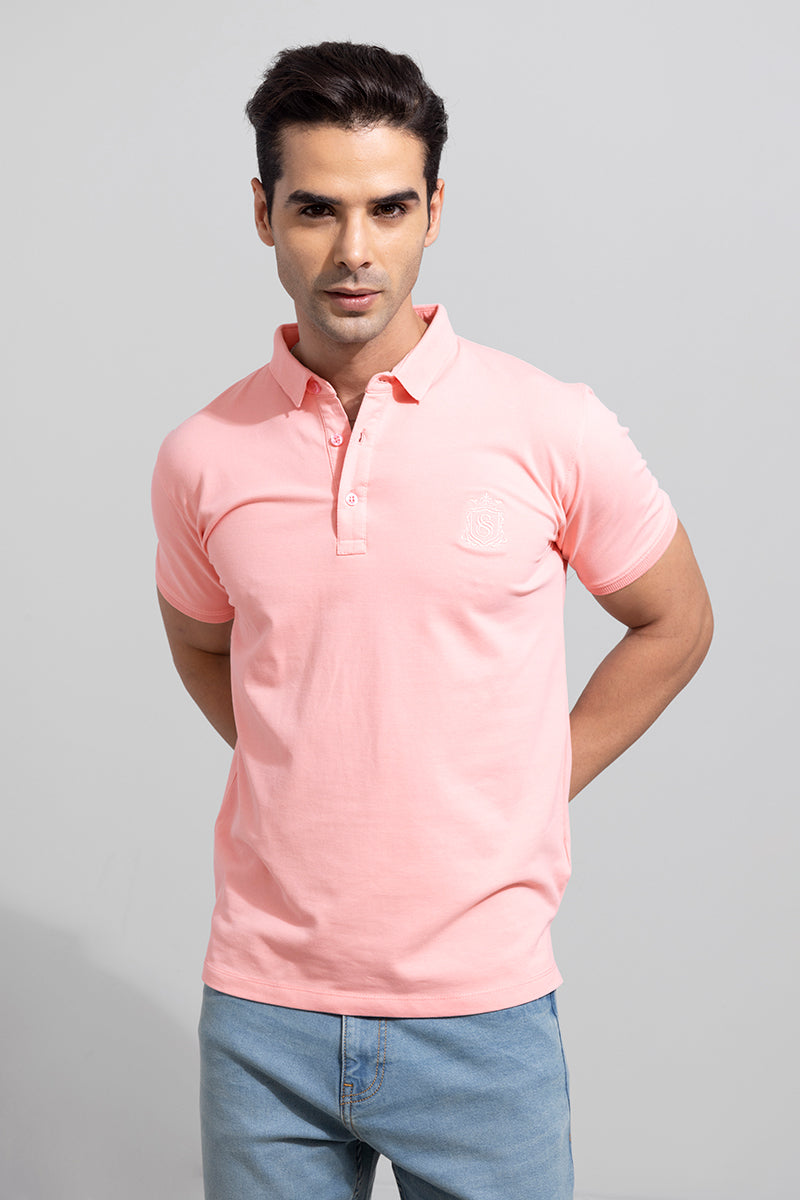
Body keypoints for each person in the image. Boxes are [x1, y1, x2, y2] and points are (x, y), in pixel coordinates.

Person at [151, 40, 713, 1200]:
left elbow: (674, 621)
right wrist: (311, 767)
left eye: (388, 208)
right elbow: (204, 643)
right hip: (262, 1014)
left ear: (433, 211)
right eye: (315, 209)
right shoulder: (202, 457)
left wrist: (529, 779)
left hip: (480, 1014)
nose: (353, 250)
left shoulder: (549, 425)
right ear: (262, 214)